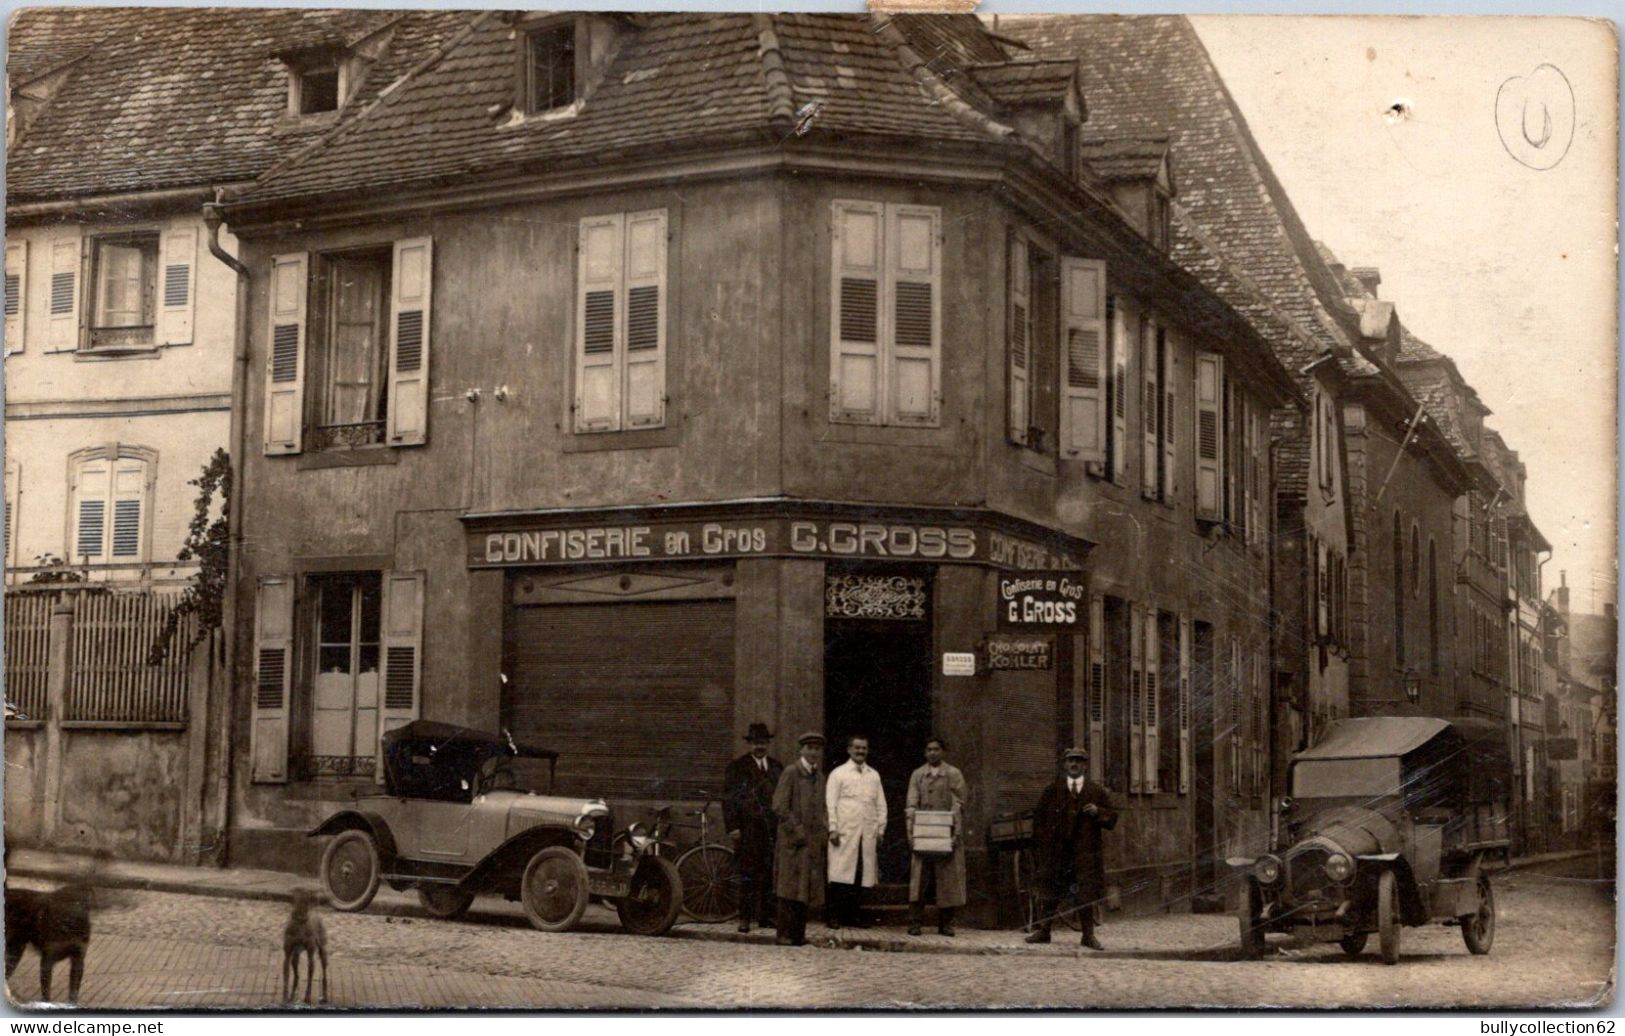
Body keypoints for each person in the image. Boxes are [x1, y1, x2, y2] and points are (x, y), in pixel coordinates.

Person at [1026, 746, 1117, 950]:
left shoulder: (1095, 791)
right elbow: (1039, 820)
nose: (1074, 764)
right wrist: (1042, 847)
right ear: (1064, 765)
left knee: (1085, 893)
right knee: (1051, 890)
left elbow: (1112, 818)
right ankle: (1044, 931)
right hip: (1057, 852)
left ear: (1085, 765)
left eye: (1078, 761)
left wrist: (1098, 811)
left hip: (1084, 853)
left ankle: (1088, 936)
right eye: (1070, 761)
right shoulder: (1052, 790)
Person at [723, 722, 784, 933]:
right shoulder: (737, 767)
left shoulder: (777, 768)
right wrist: (733, 827)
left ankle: (766, 917)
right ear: (750, 744)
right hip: (747, 829)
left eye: (764, 742)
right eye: (756, 742)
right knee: (747, 874)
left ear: (768, 744)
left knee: (768, 873)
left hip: (771, 830)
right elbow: (729, 800)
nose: (760, 746)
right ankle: (745, 918)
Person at [905, 736, 968, 936]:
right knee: (920, 880)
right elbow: (911, 804)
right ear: (925, 753)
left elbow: (958, 804)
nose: (933, 753)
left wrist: (955, 833)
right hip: (923, 832)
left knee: (947, 879)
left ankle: (946, 924)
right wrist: (911, 831)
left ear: (943, 752)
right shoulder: (918, 775)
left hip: (945, 832)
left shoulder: (953, 774)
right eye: (929, 749)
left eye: (936, 749)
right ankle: (915, 923)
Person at [771, 732, 828, 946]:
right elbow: (779, 806)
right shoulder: (791, 773)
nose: (813, 752)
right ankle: (783, 934)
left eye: (817, 748)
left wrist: (823, 831)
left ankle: (797, 934)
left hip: (811, 843)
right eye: (809, 748)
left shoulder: (819, 777)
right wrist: (797, 830)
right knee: (788, 887)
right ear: (801, 750)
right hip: (792, 842)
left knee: (804, 887)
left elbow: (822, 808)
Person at [825, 734, 887, 929]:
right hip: (844, 833)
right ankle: (833, 916)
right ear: (849, 750)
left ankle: (853, 916)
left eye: (864, 748)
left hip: (866, 834)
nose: (860, 751)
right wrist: (833, 829)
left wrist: (880, 830)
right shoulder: (838, 774)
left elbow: (881, 805)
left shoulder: (873, 775)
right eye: (857, 748)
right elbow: (830, 804)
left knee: (860, 874)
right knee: (839, 874)